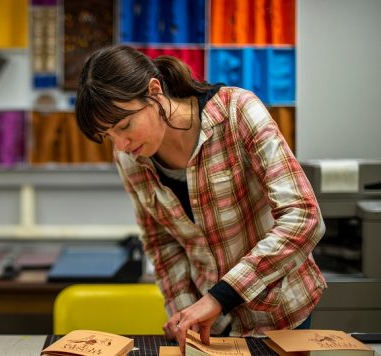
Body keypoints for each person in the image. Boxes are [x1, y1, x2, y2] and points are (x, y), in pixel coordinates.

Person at [74, 45, 326, 354]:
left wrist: (220, 296)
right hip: (213, 326)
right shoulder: (128, 158)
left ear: (154, 91)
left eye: (125, 126)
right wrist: (184, 312)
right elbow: (161, 243)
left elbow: (304, 217)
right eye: (108, 135)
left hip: (280, 312)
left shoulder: (237, 112)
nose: (121, 144)